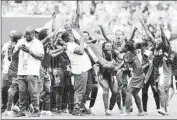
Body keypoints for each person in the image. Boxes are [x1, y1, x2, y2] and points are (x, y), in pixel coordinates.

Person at [61, 23, 92, 116]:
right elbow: (81, 51)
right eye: (70, 35)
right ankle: (76, 108)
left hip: (82, 68)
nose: (72, 36)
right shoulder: (70, 45)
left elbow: (78, 36)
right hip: (80, 69)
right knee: (79, 90)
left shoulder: (72, 43)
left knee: (82, 89)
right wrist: (82, 41)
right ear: (66, 39)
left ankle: (79, 107)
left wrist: (75, 31)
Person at [13, 26, 44, 117]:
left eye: (28, 34)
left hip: (32, 71)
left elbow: (41, 57)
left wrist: (30, 51)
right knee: (21, 92)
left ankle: (36, 110)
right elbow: (13, 57)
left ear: (34, 34)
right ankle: (22, 110)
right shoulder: (20, 42)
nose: (26, 36)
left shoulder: (38, 43)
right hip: (21, 71)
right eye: (25, 34)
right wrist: (18, 49)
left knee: (33, 92)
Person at [121, 40, 145, 116]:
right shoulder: (133, 52)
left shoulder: (127, 54)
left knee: (128, 92)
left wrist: (122, 69)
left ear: (127, 47)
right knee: (135, 93)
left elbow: (128, 68)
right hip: (141, 74)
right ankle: (140, 111)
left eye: (123, 46)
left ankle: (127, 112)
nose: (122, 47)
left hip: (136, 74)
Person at [4, 32, 23, 116]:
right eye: (22, 37)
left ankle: (12, 107)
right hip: (16, 70)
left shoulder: (10, 46)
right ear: (19, 39)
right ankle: (9, 109)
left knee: (14, 89)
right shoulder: (17, 47)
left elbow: (9, 58)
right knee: (14, 89)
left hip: (12, 69)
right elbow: (14, 57)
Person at [1, 30, 18, 113]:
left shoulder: (18, 45)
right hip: (5, 69)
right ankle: (4, 106)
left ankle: (14, 106)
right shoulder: (5, 45)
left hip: (14, 69)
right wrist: (1, 65)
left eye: (14, 35)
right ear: (9, 36)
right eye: (11, 34)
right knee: (4, 88)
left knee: (15, 87)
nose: (12, 36)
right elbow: (3, 56)